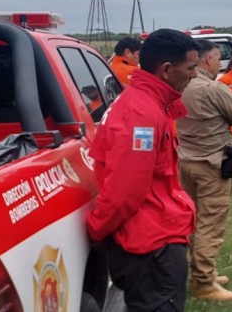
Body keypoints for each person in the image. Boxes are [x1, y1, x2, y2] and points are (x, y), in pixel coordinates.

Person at [85, 29, 199, 312]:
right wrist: (97, 231)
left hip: (153, 240)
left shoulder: (150, 104)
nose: (195, 75)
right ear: (167, 69)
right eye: (191, 68)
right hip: (152, 248)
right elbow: (125, 189)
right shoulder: (142, 115)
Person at [176, 40, 232, 302]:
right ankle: (203, 282)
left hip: (184, 162)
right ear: (207, 59)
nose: (220, 63)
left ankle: (201, 270)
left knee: (193, 221)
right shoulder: (212, 88)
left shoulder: (180, 86)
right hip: (211, 165)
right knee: (210, 223)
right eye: (218, 58)